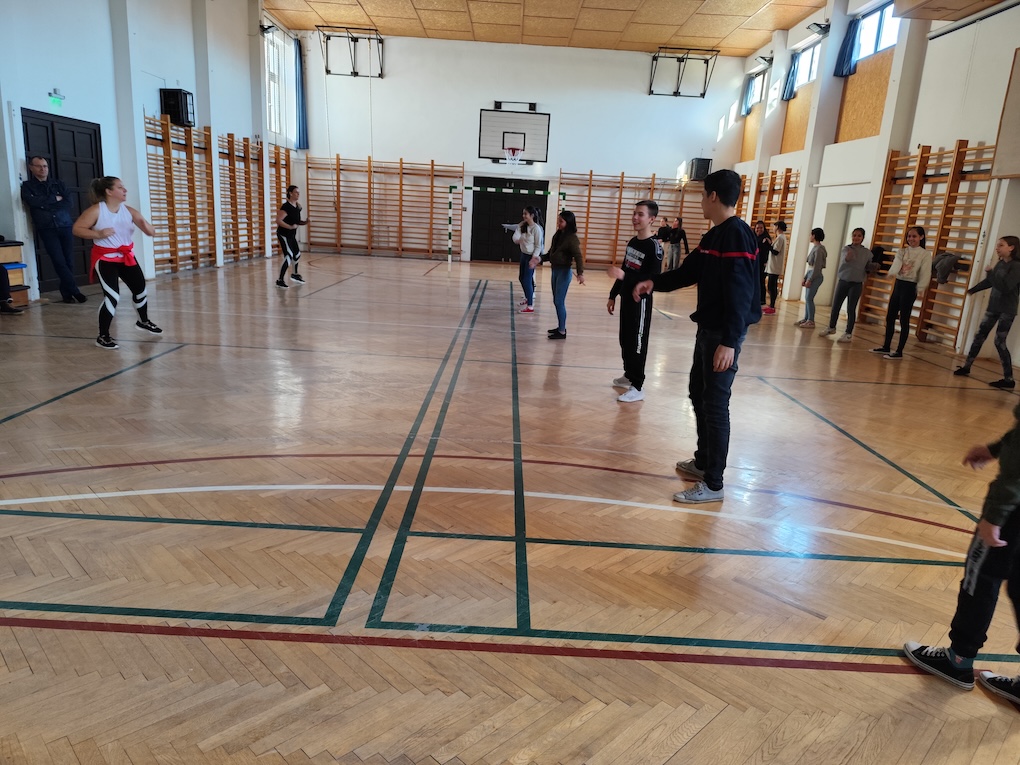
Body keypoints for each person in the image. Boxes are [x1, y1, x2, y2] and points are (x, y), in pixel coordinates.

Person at [634, 169, 760, 502]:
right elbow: (688, 273)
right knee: (698, 393)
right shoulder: (714, 235)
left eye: (703, 195)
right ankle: (703, 462)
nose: (701, 201)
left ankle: (714, 484)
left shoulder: (737, 235)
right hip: (708, 330)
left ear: (713, 196)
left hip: (722, 335)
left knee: (715, 405)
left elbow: (742, 293)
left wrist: (729, 342)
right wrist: (653, 283)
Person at [903, 408, 1020, 710]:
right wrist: (998, 447)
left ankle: (958, 660)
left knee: (980, 578)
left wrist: (995, 516)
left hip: (1014, 512)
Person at [72, 177, 162, 349]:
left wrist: (148, 228)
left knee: (140, 290)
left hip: (126, 257)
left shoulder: (128, 211)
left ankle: (143, 321)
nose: (125, 190)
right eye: (120, 187)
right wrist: (98, 234)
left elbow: (147, 227)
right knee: (112, 297)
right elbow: (77, 229)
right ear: (109, 191)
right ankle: (103, 336)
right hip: (105, 259)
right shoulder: (96, 211)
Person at [607, 200, 663, 403]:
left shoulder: (654, 247)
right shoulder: (632, 242)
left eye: (640, 214)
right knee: (625, 339)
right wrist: (613, 294)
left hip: (641, 303)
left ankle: (638, 386)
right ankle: (629, 374)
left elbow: (652, 279)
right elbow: (625, 269)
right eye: (634, 213)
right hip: (626, 299)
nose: (635, 218)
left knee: (637, 343)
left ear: (651, 219)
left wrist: (625, 277)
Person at [954, 236, 1020, 388]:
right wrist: (973, 290)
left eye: (1001, 245)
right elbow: (991, 281)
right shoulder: (1000, 263)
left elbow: (1005, 287)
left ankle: (1009, 379)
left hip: (1007, 310)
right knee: (979, 336)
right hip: (993, 307)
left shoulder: (1017, 266)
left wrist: (990, 274)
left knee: (999, 342)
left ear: (1011, 247)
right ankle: (966, 367)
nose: (997, 248)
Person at [20, 156, 87, 304]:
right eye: (39, 166)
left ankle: (66, 294)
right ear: (31, 168)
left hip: (65, 225)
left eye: (45, 166)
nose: (42, 169)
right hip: (47, 228)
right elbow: (32, 202)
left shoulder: (58, 184)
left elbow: (68, 202)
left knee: (69, 261)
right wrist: (54, 199)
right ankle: (75, 291)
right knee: (58, 261)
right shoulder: (27, 186)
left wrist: (45, 203)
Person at [871, 226, 933, 359]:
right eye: (909, 236)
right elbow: (897, 263)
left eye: (914, 236)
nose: (911, 239)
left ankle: (899, 351)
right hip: (899, 284)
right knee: (890, 316)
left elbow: (925, 272)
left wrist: (921, 288)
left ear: (921, 237)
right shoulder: (902, 251)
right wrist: (892, 273)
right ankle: (886, 346)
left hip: (910, 287)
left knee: (904, 319)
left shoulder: (925, 254)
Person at [538, 210, 585, 339]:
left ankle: (562, 331)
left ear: (568, 223)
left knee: (559, 301)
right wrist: (539, 258)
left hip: (564, 272)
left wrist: (580, 273)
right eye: (558, 220)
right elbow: (551, 253)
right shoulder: (558, 235)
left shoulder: (572, 238)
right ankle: (560, 327)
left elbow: (578, 256)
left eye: (561, 221)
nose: (558, 223)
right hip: (555, 270)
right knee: (556, 300)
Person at [819, 227, 871, 342]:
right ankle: (831, 327)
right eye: (854, 235)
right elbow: (844, 260)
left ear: (862, 238)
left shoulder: (867, 253)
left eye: (859, 236)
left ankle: (848, 333)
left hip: (856, 284)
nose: (856, 237)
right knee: (836, 306)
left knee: (851, 309)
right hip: (843, 281)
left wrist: (874, 266)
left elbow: (869, 266)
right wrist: (848, 258)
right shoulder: (846, 249)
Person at [512, 206, 544, 313]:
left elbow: (538, 246)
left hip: (532, 257)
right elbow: (515, 236)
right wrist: (517, 240)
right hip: (524, 255)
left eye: (526, 214)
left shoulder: (536, 229)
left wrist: (534, 259)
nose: (524, 216)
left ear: (532, 215)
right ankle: (528, 297)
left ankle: (530, 306)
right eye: (523, 214)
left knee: (527, 280)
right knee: (522, 278)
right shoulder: (522, 225)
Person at [275, 185, 307, 288]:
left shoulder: (298, 207)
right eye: (296, 192)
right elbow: (278, 220)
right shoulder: (286, 207)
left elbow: (296, 221)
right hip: (284, 234)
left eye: (298, 192)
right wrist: (289, 227)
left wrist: (305, 222)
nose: (298, 194)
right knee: (289, 256)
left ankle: (295, 274)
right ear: (290, 193)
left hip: (291, 235)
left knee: (297, 254)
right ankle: (280, 280)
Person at [795, 228, 826, 328]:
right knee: (807, 298)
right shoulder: (815, 248)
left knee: (809, 298)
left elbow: (817, 267)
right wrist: (805, 277)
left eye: (810, 235)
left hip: (815, 276)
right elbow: (810, 267)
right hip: (810, 274)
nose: (809, 236)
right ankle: (806, 318)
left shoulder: (819, 249)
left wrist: (810, 279)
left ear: (814, 236)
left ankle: (811, 320)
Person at [762, 221, 786, 315]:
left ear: (778, 227)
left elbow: (775, 252)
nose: (773, 228)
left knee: (772, 286)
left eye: (774, 226)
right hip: (773, 266)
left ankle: (772, 307)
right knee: (770, 286)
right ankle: (771, 306)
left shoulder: (780, 238)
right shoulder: (779, 237)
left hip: (775, 266)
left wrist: (768, 244)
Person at [753, 220, 771, 308]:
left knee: (761, 281)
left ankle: (762, 299)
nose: (759, 229)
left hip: (762, 264)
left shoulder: (766, 239)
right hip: (753, 262)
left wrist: (766, 262)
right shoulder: (752, 237)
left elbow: (768, 252)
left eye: (761, 228)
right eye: (757, 228)